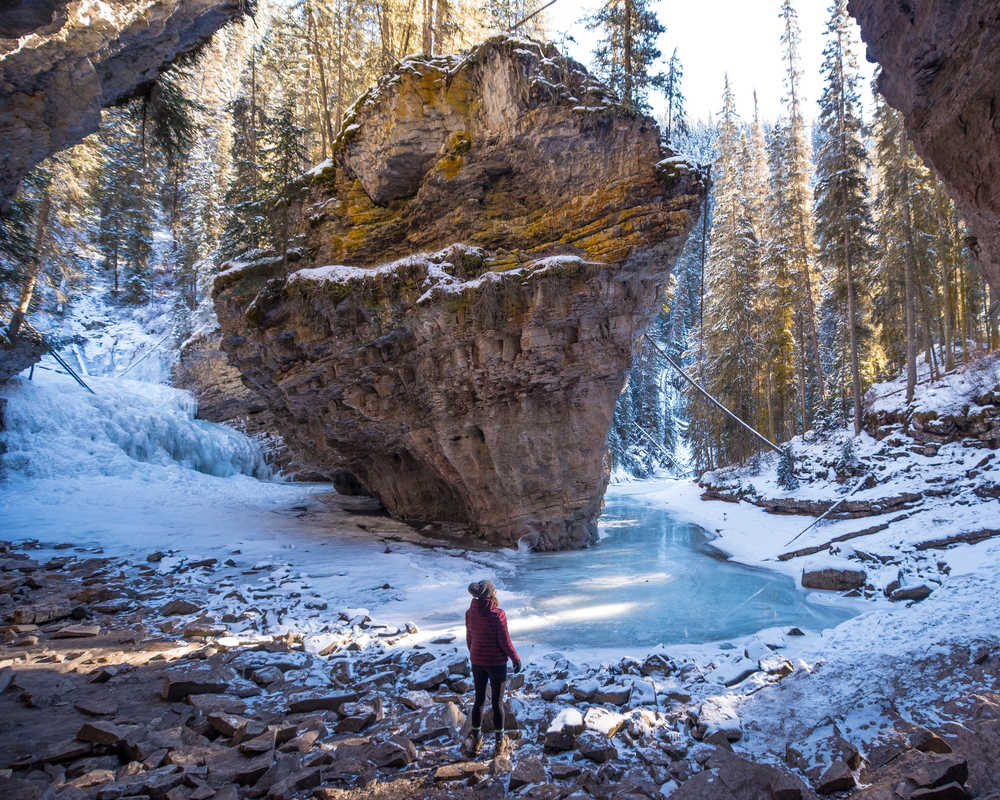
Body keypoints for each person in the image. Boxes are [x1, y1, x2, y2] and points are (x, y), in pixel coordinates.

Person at [464, 579, 521, 757]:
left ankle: (476, 740)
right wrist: (515, 658)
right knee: (497, 703)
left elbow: (469, 638)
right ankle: (499, 743)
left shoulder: (469, 613)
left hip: (477, 661)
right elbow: (505, 642)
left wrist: (476, 654)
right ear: (491, 594)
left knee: (479, 700)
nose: (497, 593)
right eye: (495, 591)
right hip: (496, 663)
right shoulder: (498, 614)